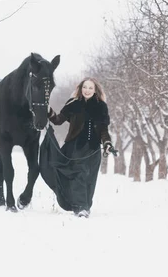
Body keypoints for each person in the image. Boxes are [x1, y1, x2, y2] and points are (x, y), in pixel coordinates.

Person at [39, 77, 115, 218]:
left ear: (95, 90)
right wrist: (48, 111)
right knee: (78, 175)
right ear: (80, 88)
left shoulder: (101, 106)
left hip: (93, 149)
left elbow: (103, 129)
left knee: (90, 179)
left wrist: (107, 143)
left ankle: (85, 205)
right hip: (75, 147)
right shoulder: (73, 104)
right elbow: (58, 120)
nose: (87, 90)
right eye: (85, 87)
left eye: (90, 88)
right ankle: (80, 207)